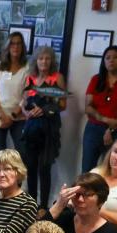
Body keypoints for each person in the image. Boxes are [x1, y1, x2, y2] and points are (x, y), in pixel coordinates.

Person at [20, 46, 66, 212]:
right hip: (31, 127)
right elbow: (24, 103)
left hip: (49, 128)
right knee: (30, 167)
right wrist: (27, 112)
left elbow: (62, 105)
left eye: (47, 58)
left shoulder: (57, 78)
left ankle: (43, 206)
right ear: (35, 61)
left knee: (44, 167)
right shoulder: (30, 79)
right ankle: (32, 203)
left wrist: (45, 110)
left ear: (52, 61)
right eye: (40, 58)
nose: (44, 61)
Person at [82, 45, 117, 172]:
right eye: (107, 58)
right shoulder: (96, 79)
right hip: (93, 128)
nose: (111, 60)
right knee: (87, 168)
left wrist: (111, 129)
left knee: (112, 169)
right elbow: (88, 107)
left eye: (115, 57)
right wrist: (104, 119)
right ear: (104, 61)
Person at [0, 31, 28, 167]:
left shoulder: (27, 67)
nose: (16, 47)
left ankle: (17, 186)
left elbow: (26, 95)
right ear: (8, 46)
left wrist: (13, 115)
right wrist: (4, 116)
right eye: (13, 44)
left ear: (23, 47)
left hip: (19, 116)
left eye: (19, 44)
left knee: (22, 154)